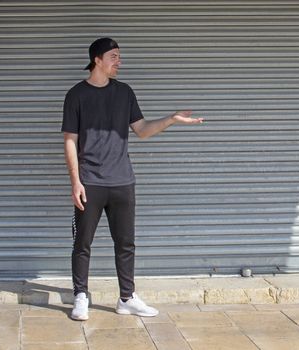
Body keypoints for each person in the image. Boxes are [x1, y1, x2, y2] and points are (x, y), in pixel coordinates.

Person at [62, 37, 204, 321]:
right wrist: (75, 182)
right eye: (114, 56)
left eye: (119, 56)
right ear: (97, 60)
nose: (119, 61)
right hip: (90, 181)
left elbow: (142, 129)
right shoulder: (76, 95)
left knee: (126, 243)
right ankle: (80, 296)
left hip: (123, 181)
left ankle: (126, 297)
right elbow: (70, 141)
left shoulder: (125, 92)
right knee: (83, 243)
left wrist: (171, 119)